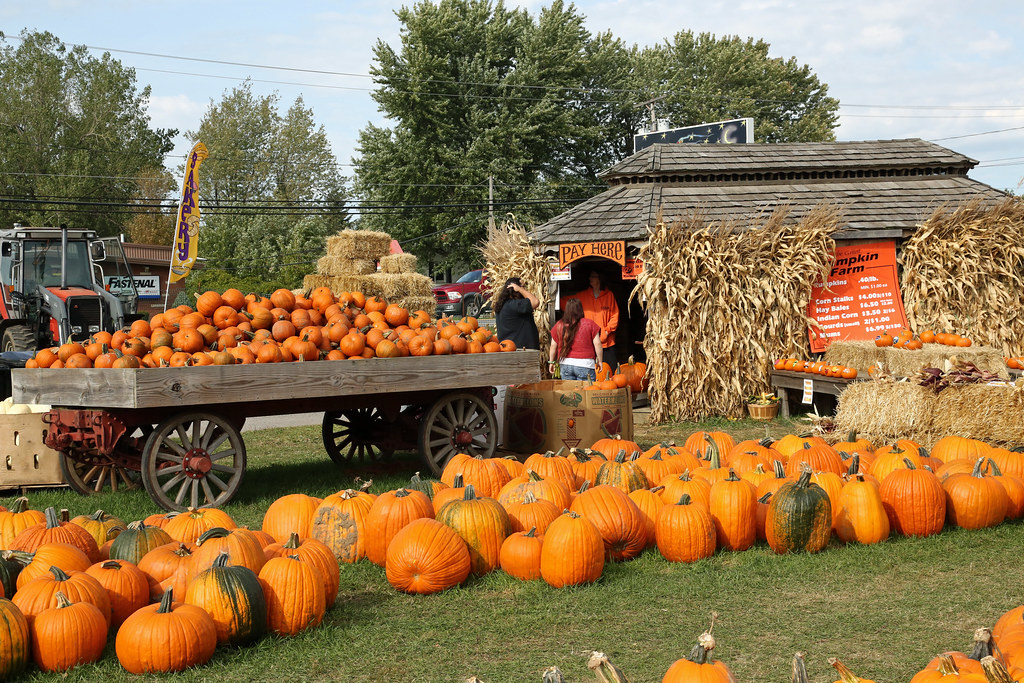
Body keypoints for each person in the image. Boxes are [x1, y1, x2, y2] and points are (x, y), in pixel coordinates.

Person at [563, 270, 619, 370]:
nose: (590, 279)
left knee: (609, 371)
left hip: (607, 343)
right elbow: (567, 303)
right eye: (590, 276)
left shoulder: (609, 295)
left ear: (600, 279)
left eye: (593, 276)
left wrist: (606, 331)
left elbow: (615, 315)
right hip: (588, 343)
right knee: (591, 373)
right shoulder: (583, 296)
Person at [548, 298, 602, 382]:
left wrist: (551, 362)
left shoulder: (559, 325)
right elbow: (598, 344)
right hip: (585, 364)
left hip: (565, 364)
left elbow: (553, 346)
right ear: (580, 309)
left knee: (569, 393)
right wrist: (600, 361)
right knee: (586, 393)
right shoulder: (590, 324)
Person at [493, 277, 540, 350]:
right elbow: (535, 302)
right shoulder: (514, 305)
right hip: (521, 349)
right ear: (515, 289)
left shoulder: (503, 305)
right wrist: (520, 289)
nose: (525, 290)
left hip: (510, 348)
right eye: (523, 287)